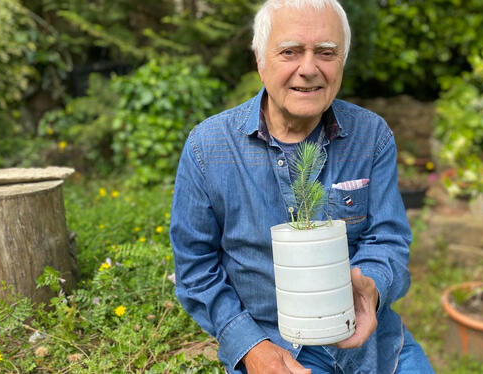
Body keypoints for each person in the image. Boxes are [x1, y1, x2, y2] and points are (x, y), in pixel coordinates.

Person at [170, 0, 435, 373]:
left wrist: (371, 288)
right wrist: (251, 347)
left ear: (341, 61)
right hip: (275, 348)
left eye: (326, 52)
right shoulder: (207, 148)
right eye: (290, 51)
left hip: (372, 346)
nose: (308, 69)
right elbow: (196, 269)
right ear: (261, 60)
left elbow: (387, 239)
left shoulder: (371, 135)